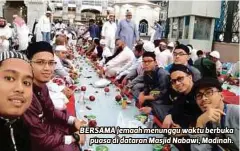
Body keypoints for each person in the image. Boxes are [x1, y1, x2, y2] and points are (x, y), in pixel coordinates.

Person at [24, 41, 85, 151]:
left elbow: (51, 110)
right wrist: (73, 138)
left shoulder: (42, 86)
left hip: (46, 129)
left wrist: (73, 120)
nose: (47, 68)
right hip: (35, 142)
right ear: (29, 64)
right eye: (40, 62)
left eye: (51, 63)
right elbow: (41, 140)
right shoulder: (25, 94)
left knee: (71, 121)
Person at [191, 77, 239, 151]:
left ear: (221, 96)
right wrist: (199, 124)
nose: (203, 98)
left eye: (209, 92)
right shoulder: (205, 120)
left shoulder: (236, 113)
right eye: (199, 95)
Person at [0, 51, 32, 151]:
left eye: (26, 83)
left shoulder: (20, 123)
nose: (20, 88)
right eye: (9, 78)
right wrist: (75, 137)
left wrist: (80, 128)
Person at [162, 64, 202, 129]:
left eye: (180, 79)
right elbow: (176, 106)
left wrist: (185, 131)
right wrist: (169, 115)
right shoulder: (181, 93)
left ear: (190, 77)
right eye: (173, 81)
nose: (177, 83)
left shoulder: (200, 94)